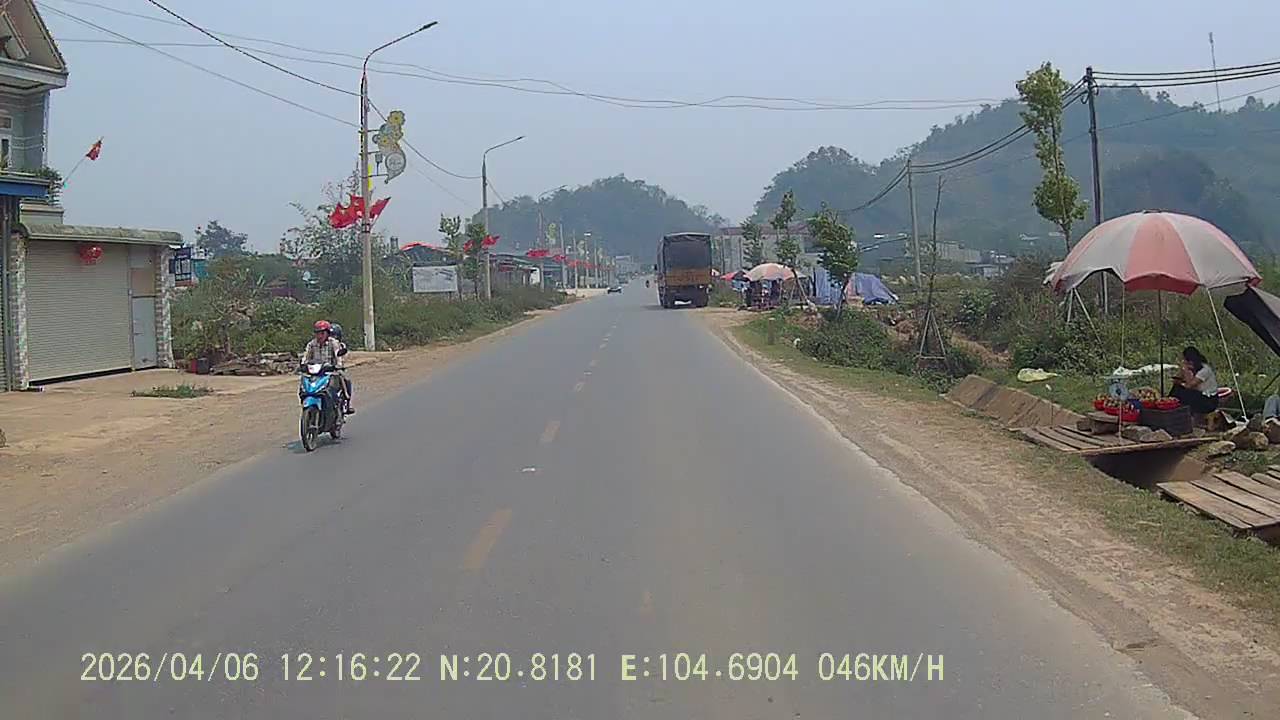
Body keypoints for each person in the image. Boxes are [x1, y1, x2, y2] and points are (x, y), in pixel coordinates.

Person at [302, 320, 354, 415]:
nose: (319, 336)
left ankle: (347, 404)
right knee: (303, 386)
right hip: (315, 372)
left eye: (322, 333)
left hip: (330, 372)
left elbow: (338, 356)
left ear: (327, 333)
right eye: (317, 333)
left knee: (345, 380)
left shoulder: (333, 343)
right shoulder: (311, 344)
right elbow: (306, 357)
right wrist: (303, 365)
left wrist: (338, 366)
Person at [1169, 346, 1219, 414]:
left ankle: (1176, 409)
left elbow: (1189, 385)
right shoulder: (1193, 368)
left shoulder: (1204, 370)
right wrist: (1181, 372)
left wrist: (1185, 371)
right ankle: (1169, 403)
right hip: (1198, 394)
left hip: (1208, 400)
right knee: (1177, 388)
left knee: (1183, 393)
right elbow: (1181, 378)